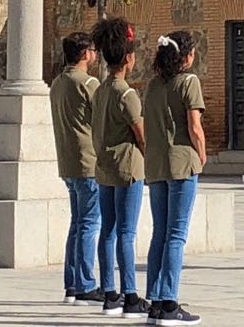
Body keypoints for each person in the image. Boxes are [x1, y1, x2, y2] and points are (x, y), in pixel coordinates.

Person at [144, 31, 207, 326]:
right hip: (182, 163)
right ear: (186, 55)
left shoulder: (153, 86)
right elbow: (194, 126)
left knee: (160, 232)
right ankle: (169, 302)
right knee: (176, 235)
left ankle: (155, 300)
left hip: (156, 166)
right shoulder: (189, 82)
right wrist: (202, 154)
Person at [90, 18, 151, 319]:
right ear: (128, 58)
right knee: (127, 232)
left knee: (108, 231)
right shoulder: (127, 94)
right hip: (128, 169)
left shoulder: (100, 91)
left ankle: (109, 291)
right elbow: (141, 135)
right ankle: (130, 295)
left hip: (104, 169)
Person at [50, 32, 104, 306]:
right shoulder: (89, 83)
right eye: (93, 51)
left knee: (77, 223)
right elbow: (102, 117)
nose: (95, 55)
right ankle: (84, 283)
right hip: (89, 161)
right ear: (85, 54)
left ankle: (71, 283)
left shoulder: (58, 83)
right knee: (89, 224)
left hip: (68, 162)